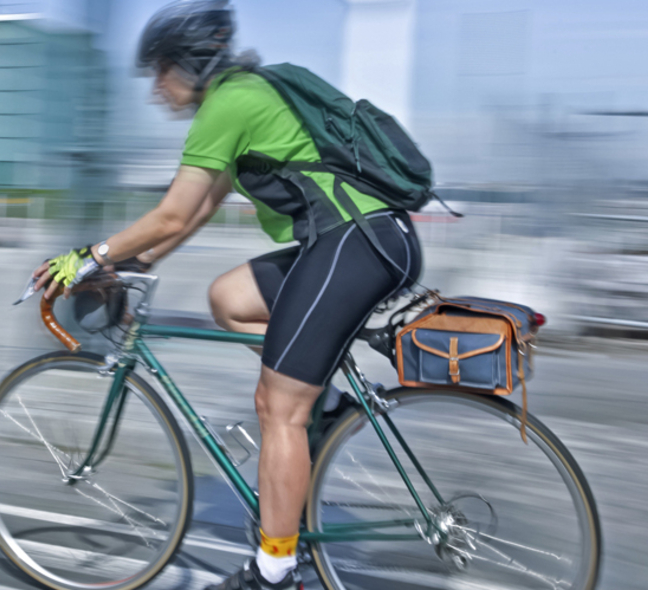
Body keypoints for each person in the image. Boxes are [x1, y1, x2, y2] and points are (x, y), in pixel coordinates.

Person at [31, 1, 423, 588]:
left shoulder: (228, 104)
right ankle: (327, 404)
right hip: (364, 242)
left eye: (159, 73)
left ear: (188, 65)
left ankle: (274, 570)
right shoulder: (244, 95)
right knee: (229, 298)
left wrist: (89, 257)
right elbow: (196, 213)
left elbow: (171, 214)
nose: (155, 90)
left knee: (277, 407)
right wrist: (134, 264)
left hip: (356, 245)